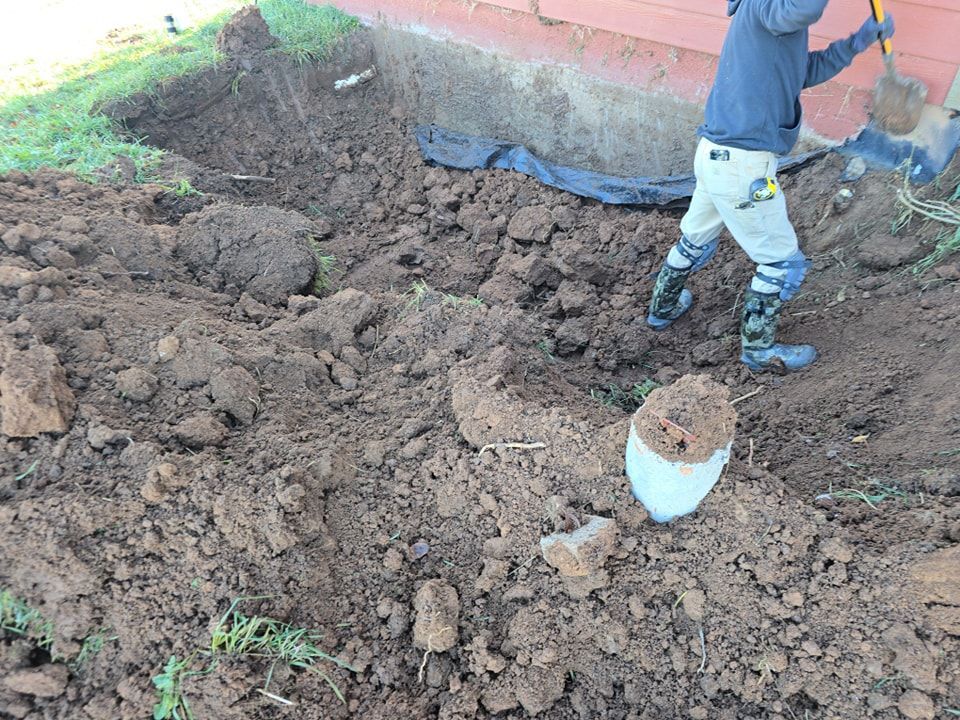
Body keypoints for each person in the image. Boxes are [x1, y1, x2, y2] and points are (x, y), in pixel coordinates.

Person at [646, 0, 895, 370]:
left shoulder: (761, 19)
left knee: (695, 239)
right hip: (743, 165)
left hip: (715, 153)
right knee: (782, 263)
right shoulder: (769, 7)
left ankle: (662, 308)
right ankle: (759, 350)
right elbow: (799, 11)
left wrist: (856, 42)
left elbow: (800, 72)